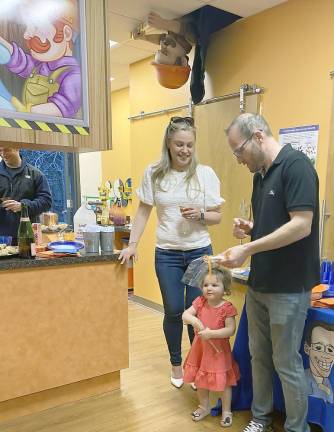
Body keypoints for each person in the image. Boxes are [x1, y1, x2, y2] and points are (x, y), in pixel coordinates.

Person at [218, 113, 320, 432]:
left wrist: (247, 249)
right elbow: (275, 227)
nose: (238, 160)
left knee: (286, 363)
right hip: (259, 283)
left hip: (289, 288)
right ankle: (260, 419)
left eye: (238, 151)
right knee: (258, 357)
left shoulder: (297, 166)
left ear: (259, 137)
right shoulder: (260, 175)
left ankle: (296, 428)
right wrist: (252, 229)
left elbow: (302, 225)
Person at [119, 116, 224, 388]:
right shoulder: (154, 172)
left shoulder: (206, 174)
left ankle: (196, 364)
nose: (185, 151)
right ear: (168, 142)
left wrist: (201, 213)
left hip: (200, 252)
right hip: (167, 254)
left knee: (197, 312)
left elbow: (218, 217)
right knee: (175, 310)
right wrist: (132, 244)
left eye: (189, 145)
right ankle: (176, 364)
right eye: (179, 144)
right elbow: (143, 211)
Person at [182, 264, 240, 427]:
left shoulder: (227, 308)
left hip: (219, 352)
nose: (209, 288)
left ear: (225, 288)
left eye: (214, 285)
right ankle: (204, 406)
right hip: (200, 349)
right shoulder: (200, 302)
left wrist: (211, 334)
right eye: (206, 285)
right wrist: (194, 320)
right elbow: (185, 314)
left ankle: (227, 410)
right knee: (201, 379)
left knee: (225, 382)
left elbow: (230, 330)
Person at [0, 147, 52, 244]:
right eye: (0, 151)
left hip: (28, 236)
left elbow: (46, 202)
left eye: (6, 150)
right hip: (2, 238)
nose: (3, 154)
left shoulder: (36, 174)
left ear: (17, 148)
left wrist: (23, 206)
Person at [304, 320, 334, 404]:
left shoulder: (326, 381)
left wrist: (327, 391)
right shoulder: (303, 378)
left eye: (330, 350)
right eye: (318, 348)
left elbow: (330, 403)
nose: (325, 356)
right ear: (307, 349)